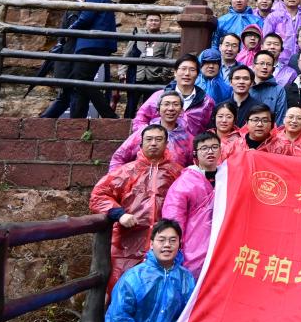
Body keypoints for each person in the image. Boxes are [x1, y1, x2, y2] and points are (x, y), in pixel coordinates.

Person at [89, 125, 184, 291]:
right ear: (141, 144)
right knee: (123, 289)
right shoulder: (126, 171)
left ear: (166, 143)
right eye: (149, 139)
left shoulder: (178, 173)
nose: (153, 143)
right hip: (128, 243)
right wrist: (119, 214)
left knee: (162, 292)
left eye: (158, 139)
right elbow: (98, 195)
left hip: (165, 243)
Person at [161, 133, 221, 277]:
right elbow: (173, 217)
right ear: (195, 153)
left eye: (214, 147)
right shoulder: (185, 182)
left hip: (223, 242)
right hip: (193, 247)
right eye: (204, 148)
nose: (210, 151)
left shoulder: (228, 177)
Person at [67, 0, 119, 119]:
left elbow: (86, 17)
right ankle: (78, 118)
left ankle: (109, 116)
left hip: (93, 43)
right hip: (95, 43)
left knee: (81, 78)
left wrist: (70, 30)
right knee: (81, 81)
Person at [134, 56, 215, 137]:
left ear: (197, 74)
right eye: (183, 69)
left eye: (192, 70)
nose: (187, 73)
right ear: (175, 72)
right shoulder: (159, 97)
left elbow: (211, 129)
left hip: (193, 144)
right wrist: (149, 137)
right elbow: (140, 120)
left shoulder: (206, 102)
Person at [111, 91, 193, 170]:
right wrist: (117, 177)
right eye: (166, 104)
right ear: (158, 109)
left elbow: (193, 167)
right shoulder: (144, 133)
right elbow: (119, 158)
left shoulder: (188, 139)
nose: (171, 108)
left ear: (181, 110)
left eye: (175, 104)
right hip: (141, 178)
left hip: (175, 179)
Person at [119, 13, 175, 118]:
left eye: (156, 20)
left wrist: (163, 75)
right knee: (131, 105)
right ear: (146, 22)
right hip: (136, 76)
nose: (153, 22)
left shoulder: (165, 39)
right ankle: (127, 124)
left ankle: (147, 126)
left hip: (154, 77)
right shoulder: (137, 36)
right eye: (151, 20)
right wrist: (122, 71)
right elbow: (127, 55)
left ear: (160, 23)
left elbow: (168, 58)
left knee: (150, 106)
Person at [222, 105, 290, 158]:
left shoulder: (282, 147)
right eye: (255, 120)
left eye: (265, 121)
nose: (260, 124)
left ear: (272, 125)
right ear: (247, 123)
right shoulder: (233, 147)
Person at [250, 50, 288, 125]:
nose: (265, 67)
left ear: (273, 69)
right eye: (261, 63)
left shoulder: (278, 90)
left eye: (268, 64)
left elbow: (280, 118)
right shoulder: (246, 86)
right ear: (253, 66)